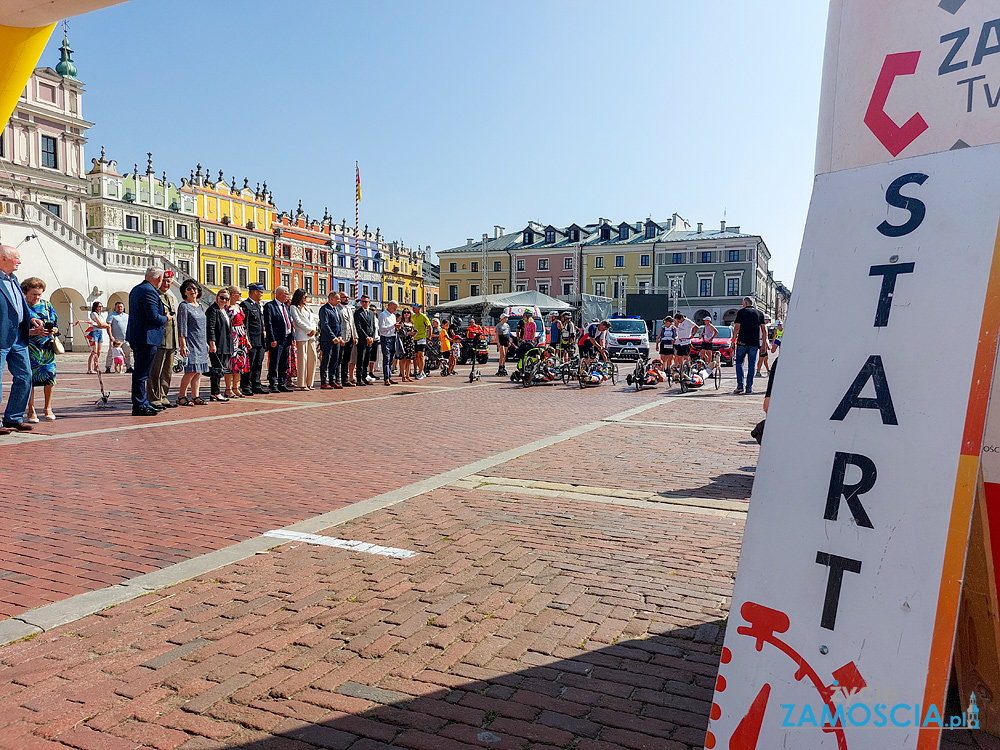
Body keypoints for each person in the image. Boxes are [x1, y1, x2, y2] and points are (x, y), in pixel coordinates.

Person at [0, 247, 43, 433]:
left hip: (18, 336)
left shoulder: (14, 279)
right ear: (3, 258)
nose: (20, 261)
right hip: (1, 336)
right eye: (16, 258)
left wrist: (29, 318)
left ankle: (13, 418)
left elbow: (19, 304)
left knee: (25, 376)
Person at [126, 266, 171, 416]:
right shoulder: (150, 291)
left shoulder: (136, 289)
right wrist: (167, 318)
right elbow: (154, 317)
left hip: (138, 336)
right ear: (159, 278)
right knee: (142, 374)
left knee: (140, 373)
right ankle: (139, 405)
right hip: (147, 338)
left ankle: (142, 403)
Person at [21, 276, 58, 423]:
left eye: (39, 294)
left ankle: (47, 408)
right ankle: (31, 410)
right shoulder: (21, 305)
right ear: (26, 292)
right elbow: (15, 328)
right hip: (28, 347)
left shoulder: (46, 305)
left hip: (46, 347)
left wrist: (53, 329)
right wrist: (32, 332)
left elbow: (55, 322)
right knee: (29, 379)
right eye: (34, 294)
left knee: (49, 377)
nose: (37, 297)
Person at [148, 271, 178, 410]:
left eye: (169, 282)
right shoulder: (156, 296)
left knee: (167, 371)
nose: (167, 284)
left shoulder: (170, 298)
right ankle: (154, 397)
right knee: (156, 370)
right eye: (165, 281)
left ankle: (163, 396)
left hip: (171, 339)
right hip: (160, 339)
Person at [176, 279, 209, 406]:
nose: (192, 291)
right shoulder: (184, 306)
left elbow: (203, 326)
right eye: (189, 289)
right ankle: (181, 396)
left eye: (194, 288)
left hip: (201, 342)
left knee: (198, 371)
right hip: (190, 342)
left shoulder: (200, 306)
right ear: (184, 292)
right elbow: (182, 327)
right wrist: (183, 344)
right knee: (191, 370)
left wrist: (205, 342)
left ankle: (196, 396)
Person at [731, 296, 767, 395]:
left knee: (739, 363)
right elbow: (764, 331)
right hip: (754, 343)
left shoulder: (741, 312)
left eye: (743, 303)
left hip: (742, 342)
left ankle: (740, 385)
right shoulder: (759, 313)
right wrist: (763, 344)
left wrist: (733, 341)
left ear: (745, 303)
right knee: (752, 365)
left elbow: (737, 328)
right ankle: (749, 388)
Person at [206, 287, 234, 401]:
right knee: (217, 368)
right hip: (218, 344)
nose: (223, 300)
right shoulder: (213, 310)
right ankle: (215, 392)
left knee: (220, 369)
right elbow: (210, 328)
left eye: (226, 299)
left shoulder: (225, 310)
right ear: (217, 297)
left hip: (226, 343)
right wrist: (212, 343)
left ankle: (216, 392)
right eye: (221, 298)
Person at [264, 286, 294, 393]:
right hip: (276, 340)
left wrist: (292, 337)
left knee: (284, 363)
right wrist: (272, 338)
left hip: (286, 339)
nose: (288, 296)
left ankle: (282, 383)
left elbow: (289, 322)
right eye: (286, 294)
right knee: (274, 363)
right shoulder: (270, 306)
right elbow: (269, 324)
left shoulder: (285, 307)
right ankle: (273, 384)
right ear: (279, 294)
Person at [240, 283, 268, 395]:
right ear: (255, 292)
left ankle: (256, 384)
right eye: (260, 292)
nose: (262, 294)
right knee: (249, 364)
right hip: (251, 340)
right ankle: (246, 385)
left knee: (258, 364)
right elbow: (245, 324)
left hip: (260, 340)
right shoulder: (246, 305)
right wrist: (247, 339)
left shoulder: (258, 306)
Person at [289, 288, 318, 390]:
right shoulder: (293, 307)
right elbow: (297, 321)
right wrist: (309, 330)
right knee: (303, 359)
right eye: (304, 297)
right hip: (302, 335)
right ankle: (302, 383)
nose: (306, 298)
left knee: (313, 358)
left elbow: (313, 320)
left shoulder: (307, 307)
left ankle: (310, 382)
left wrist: (314, 329)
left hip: (311, 336)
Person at [226, 286, 251, 397]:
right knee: (231, 363)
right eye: (239, 293)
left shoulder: (239, 307)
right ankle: (228, 388)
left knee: (240, 362)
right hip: (232, 335)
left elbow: (243, 324)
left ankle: (236, 387)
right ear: (232, 294)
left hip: (241, 335)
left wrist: (246, 339)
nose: (241, 296)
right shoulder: (227, 308)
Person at [318, 290, 344, 389]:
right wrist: (333, 337)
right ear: (331, 299)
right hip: (327, 340)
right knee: (326, 361)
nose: (339, 301)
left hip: (337, 340)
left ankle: (332, 380)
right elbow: (325, 325)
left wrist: (340, 336)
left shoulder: (337, 310)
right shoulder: (324, 309)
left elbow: (340, 324)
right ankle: (324, 381)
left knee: (335, 361)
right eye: (337, 299)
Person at [353, 294, 376, 386]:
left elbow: (373, 326)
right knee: (361, 360)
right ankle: (359, 379)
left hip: (370, 340)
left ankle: (364, 377)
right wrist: (366, 337)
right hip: (362, 340)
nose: (364, 303)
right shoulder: (358, 313)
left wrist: (372, 337)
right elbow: (358, 327)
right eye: (362, 301)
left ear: (369, 303)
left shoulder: (371, 312)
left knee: (367, 360)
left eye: (366, 302)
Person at [105, 301, 132, 374]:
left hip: (125, 338)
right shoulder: (112, 315)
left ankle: (128, 366)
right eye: (118, 307)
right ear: (115, 308)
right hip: (115, 339)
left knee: (127, 353)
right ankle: (108, 367)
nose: (120, 308)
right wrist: (110, 336)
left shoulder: (127, 316)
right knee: (111, 353)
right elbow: (108, 326)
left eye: (121, 307)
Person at [337, 291, 357, 386]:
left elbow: (352, 323)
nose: (346, 299)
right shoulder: (337, 309)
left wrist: (355, 336)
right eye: (344, 297)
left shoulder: (349, 309)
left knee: (346, 359)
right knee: (339, 359)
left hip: (350, 337)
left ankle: (345, 379)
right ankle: (337, 378)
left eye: (347, 297)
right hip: (341, 338)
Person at [378, 300, 399, 385]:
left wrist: (397, 328)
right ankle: (386, 378)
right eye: (394, 308)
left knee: (391, 359)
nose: (395, 310)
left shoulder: (393, 316)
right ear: (389, 305)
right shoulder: (383, 315)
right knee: (386, 358)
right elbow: (382, 328)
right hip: (385, 338)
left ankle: (389, 376)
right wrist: (393, 326)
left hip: (393, 337)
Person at [86, 300, 110, 374]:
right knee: (94, 351)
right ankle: (90, 369)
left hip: (100, 332)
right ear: (96, 307)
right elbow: (100, 324)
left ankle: (96, 366)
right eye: (99, 306)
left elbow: (103, 324)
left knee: (99, 352)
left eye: (101, 306)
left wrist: (104, 325)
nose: (101, 307)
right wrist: (105, 325)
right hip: (94, 332)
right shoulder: (94, 314)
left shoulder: (101, 315)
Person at [411, 302, 431, 380]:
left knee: (421, 355)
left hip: (422, 337)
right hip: (414, 338)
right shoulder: (412, 317)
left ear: (419, 308)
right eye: (413, 308)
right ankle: (420, 371)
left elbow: (430, 327)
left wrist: (428, 338)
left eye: (415, 308)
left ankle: (421, 372)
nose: (413, 309)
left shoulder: (423, 316)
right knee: (416, 356)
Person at [397, 307, 416, 382]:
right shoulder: (401, 323)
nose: (406, 314)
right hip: (404, 342)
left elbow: (413, 331)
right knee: (403, 359)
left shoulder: (411, 323)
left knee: (409, 360)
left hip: (410, 342)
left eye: (408, 312)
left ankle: (408, 375)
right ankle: (403, 375)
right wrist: (408, 333)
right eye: (405, 312)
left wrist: (413, 333)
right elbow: (399, 333)